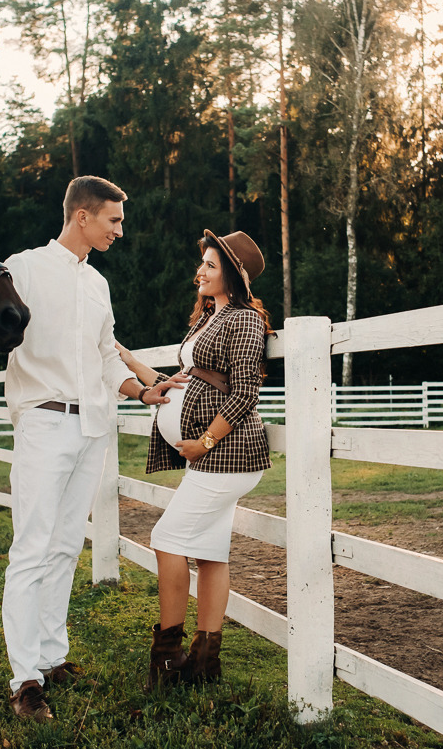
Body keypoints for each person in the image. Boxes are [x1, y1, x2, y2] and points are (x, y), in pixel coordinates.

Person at [0, 176, 182, 722]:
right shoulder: (19, 269)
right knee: (32, 549)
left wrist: (142, 389)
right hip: (44, 423)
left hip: (94, 425)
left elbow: (105, 357)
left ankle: (51, 657)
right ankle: (23, 679)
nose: (121, 230)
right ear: (82, 217)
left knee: (68, 544)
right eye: (113, 220)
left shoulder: (98, 285)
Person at [117, 229, 272, 689]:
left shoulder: (244, 319)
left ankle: (167, 659)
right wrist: (123, 356)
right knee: (209, 553)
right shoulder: (208, 318)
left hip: (229, 455)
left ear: (233, 275)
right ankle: (205, 663)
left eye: (210, 265)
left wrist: (203, 441)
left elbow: (245, 392)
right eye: (201, 263)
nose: (199, 271)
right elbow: (183, 380)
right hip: (211, 458)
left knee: (166, 538)